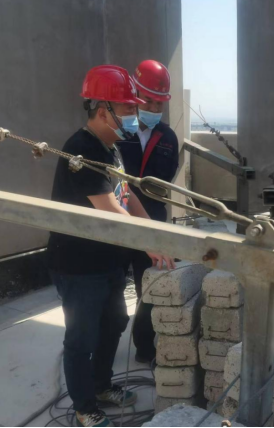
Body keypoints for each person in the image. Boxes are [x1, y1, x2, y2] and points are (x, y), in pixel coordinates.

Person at [48, 64, 175, 427]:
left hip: (106, 259)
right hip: (78, 264)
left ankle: (102, 385)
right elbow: (111, 209)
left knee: (114, 322)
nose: (135, 113)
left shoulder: (110, 147)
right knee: (81, 337)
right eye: (129, 108)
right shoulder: (81, 150)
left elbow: (127, 194)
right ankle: (84, 406)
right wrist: (149, 243)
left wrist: (156, 233)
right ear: (103, 110)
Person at [117, 59, 179, 364]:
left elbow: (166, 180)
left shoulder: (167, 138)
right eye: (149, 101)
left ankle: (144, 345)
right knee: (111, 287)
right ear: (135, 97)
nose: (154, 108)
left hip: (152, 219)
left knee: (150, 286)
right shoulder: (117, 131)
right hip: (115, 218)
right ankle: (106, 338)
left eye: (159, 104)